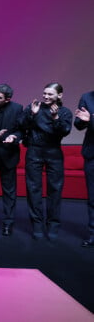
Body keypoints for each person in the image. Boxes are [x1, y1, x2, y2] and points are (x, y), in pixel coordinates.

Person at [19, 82, 72, 241]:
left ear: (59, 96)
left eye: (50, 94)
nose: (46, 97)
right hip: (34, 150)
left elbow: (64, 132)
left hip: (54, 152)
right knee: (33, 188)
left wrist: (55, 119)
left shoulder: (64, 112)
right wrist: (32, 115)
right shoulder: (34, 107)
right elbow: (21, 124)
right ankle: (37, 224)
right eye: (45, 93)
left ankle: (53, 224)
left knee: (55, 189)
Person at [0, 84, 23, 236]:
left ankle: (8, 223)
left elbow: (21, 130)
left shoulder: (17, 108)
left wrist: (14, 137)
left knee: (9, 192)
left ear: (8, 99)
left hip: (8, 154)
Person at [74, 91, 94, 247]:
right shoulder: (87, 97)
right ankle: (93, 234)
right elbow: (78, 125)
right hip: (92, 154)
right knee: (93, 199)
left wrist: (91, 119)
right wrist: (82, 120)